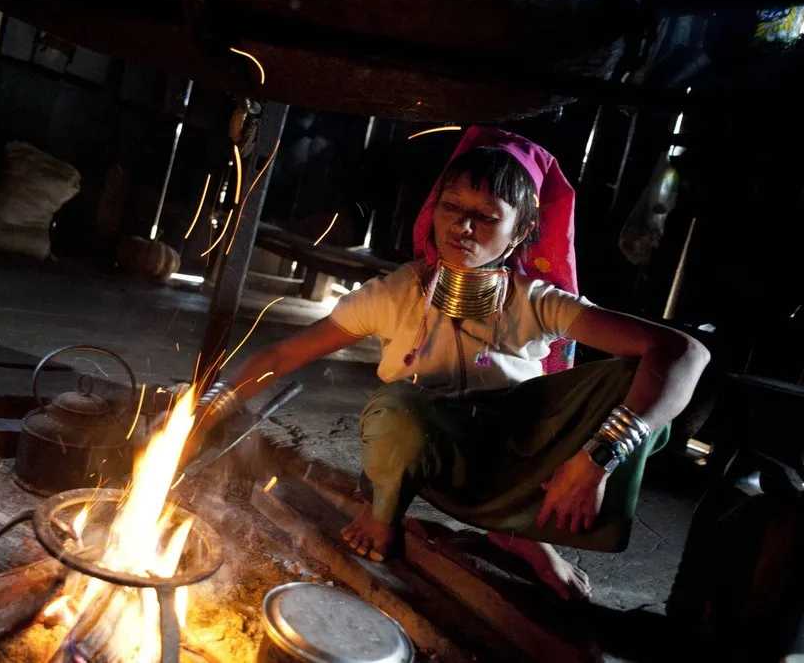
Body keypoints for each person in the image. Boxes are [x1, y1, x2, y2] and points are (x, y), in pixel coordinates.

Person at [195, 126, 710, 600]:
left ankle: (522, 534)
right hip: (428, 455)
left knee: (636, 383)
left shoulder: (536, 302)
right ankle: (384, 512)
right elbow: (286, 353)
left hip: (516, 463)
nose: (462, 226)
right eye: (450, 206)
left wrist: (602, 455)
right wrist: (213, 400)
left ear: (522, 230)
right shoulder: (398, 293)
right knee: (397, 407)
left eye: (486, 217)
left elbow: (686, 353)